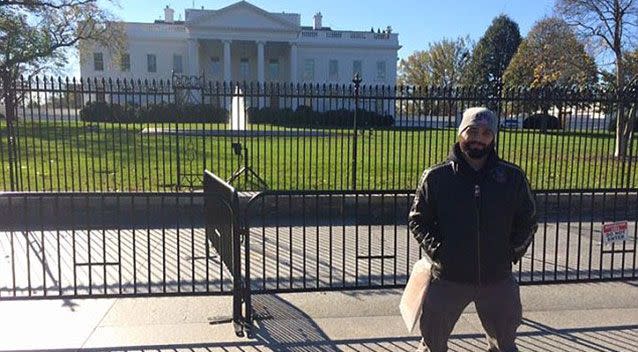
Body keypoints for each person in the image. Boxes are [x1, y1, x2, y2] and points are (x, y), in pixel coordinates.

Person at [408, 107, 538, 352]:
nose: (479, 138)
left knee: (505, 345)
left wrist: (511, 253)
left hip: (497, 278)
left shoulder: (513, 178)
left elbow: (528, 220)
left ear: (493, 137)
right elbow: (418, 220)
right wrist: (440, 252)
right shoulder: (436, 177)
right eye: (473, 131)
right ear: (461, 134)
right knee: (432, 344)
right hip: (448, 278)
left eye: (487, 133)